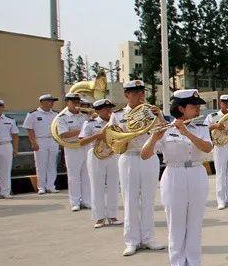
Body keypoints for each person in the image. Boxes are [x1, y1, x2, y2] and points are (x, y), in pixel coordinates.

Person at [142, 89, 213, 266]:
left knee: (195, 226)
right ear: (181, 108)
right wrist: (155, 137)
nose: (198, 108)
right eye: (193, 106)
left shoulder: (200, 126)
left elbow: (207, 148)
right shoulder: (165, 128)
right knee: (176, 227)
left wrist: (187, 132)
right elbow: (146, 154)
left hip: (197, 173)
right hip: (174, 175)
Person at [110, 80, 165, 256]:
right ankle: (131, 240)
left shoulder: (151, 112)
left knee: (148, 200)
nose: (140, 96)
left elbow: (162, 134)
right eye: (135, 93)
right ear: (127, 95)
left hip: (149, 158)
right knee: (130, 200)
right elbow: (113, 138)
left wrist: (160, 117)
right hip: (129, 157)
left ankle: (148, 238)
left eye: (142, 93)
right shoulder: (118, 115)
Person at [78, 99, 120, 228]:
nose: (109, 111)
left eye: (110, 108)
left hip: (113, 154)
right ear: (97, 110)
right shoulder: (90, 123)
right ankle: (99, 217)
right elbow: (82, 141)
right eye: (105, 109)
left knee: (114, 185)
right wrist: (97, 135)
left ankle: (112, 215)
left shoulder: (115, 122)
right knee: (97, 186)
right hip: (96, 155)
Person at [204, 94, 228, 209]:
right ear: (220, 103)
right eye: (224, 103)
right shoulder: (212, 116)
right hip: (220, 147)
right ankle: (221, 200)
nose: (227, 105)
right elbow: (204, 129)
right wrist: (214, 126)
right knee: (220, 173)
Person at [57, 93, 92, 211]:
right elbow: (64, 134)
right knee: (74, 176)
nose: (76, 104)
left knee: (86, 175)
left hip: (85, 147)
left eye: (78, 102)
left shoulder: (85, 116)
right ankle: (75, 202)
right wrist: (81, 130)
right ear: (68, 102)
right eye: (73, 101)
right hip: (72, 148)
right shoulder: (62, 117)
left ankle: (87, 200)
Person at [22, 94, 60, 194]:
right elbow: (29, 130)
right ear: (43, 102)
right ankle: (41, 187)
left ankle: (51, 186)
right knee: (41, 164)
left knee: (52, 164)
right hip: (40, 140)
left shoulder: (56, 114)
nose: (52, 103)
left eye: (53, 101)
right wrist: (33, 142)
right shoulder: (33, 114)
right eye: (50, 101)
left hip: (53, 140)